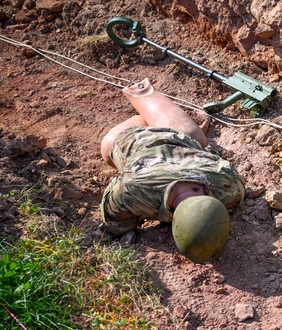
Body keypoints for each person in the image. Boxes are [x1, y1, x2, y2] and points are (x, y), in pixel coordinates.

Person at [99, 78, 245, 263]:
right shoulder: (132, 190)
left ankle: (143, 96)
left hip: (182, 137)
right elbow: (116, 224)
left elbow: (118, 224)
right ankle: (140, 94)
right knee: (108, 147)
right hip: (135, 139)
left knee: (196, 137)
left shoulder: (229, 186)